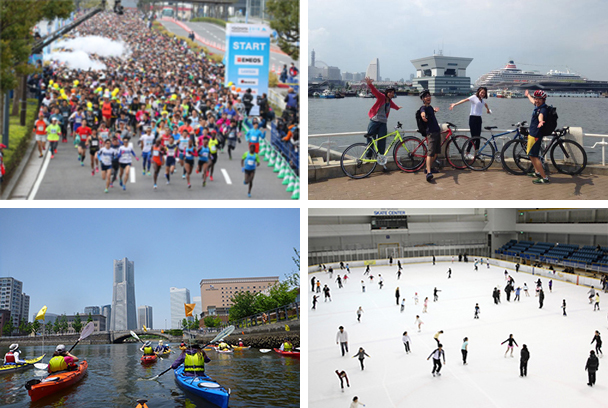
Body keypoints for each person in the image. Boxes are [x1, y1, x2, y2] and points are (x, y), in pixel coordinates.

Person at [363, 77, 401, 171]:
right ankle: (368, 157)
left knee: (382, 142)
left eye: (393, 92)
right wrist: (370, 84)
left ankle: (380, 159)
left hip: (383, 124)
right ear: (386, 92)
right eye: (390, 92)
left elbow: (394, 106)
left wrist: (398, 108)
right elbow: (375, 91)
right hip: (374, 122)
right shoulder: (381, 97)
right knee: (370, 140)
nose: (391, 94)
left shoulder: (390, 101)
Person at [450, 87, 491, 158]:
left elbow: (485, 104)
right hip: (473, 118)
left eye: (484, 93)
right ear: (478, 92)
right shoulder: (474, 97)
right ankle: (467, 153)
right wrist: (455, 104)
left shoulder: (481, 100)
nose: (482, 94)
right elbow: (464, 100)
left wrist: (487, 109)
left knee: (478, 138)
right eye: (481, 92)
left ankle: (477, 153)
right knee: (474, 137)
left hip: (479, 119)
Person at [524, 89, 550, 184]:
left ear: (543, 100)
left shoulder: (543, 109)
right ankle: (537, 172)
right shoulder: (537, 106)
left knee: (534, 156)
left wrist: (540, 121)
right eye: (536, 98)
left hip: (536, 135)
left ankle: (544, 177)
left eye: (539, 99)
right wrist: (528, 95)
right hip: (532, 133)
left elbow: (541, 116)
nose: (536, 100)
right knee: (531, 155)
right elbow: (532, 101)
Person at [419, 89, 441, 182]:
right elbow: (423, 113)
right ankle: (428, 173)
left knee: (435, 153)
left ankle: (428, 168)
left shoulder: (430, 108)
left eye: (429, 96)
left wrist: (434, 111)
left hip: (437, 131)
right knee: (430, 153)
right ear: (423, 99)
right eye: (426, 96)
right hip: (431, 133)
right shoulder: (423, 107)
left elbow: (430, 114)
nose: (428, 97)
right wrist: (423, 116)